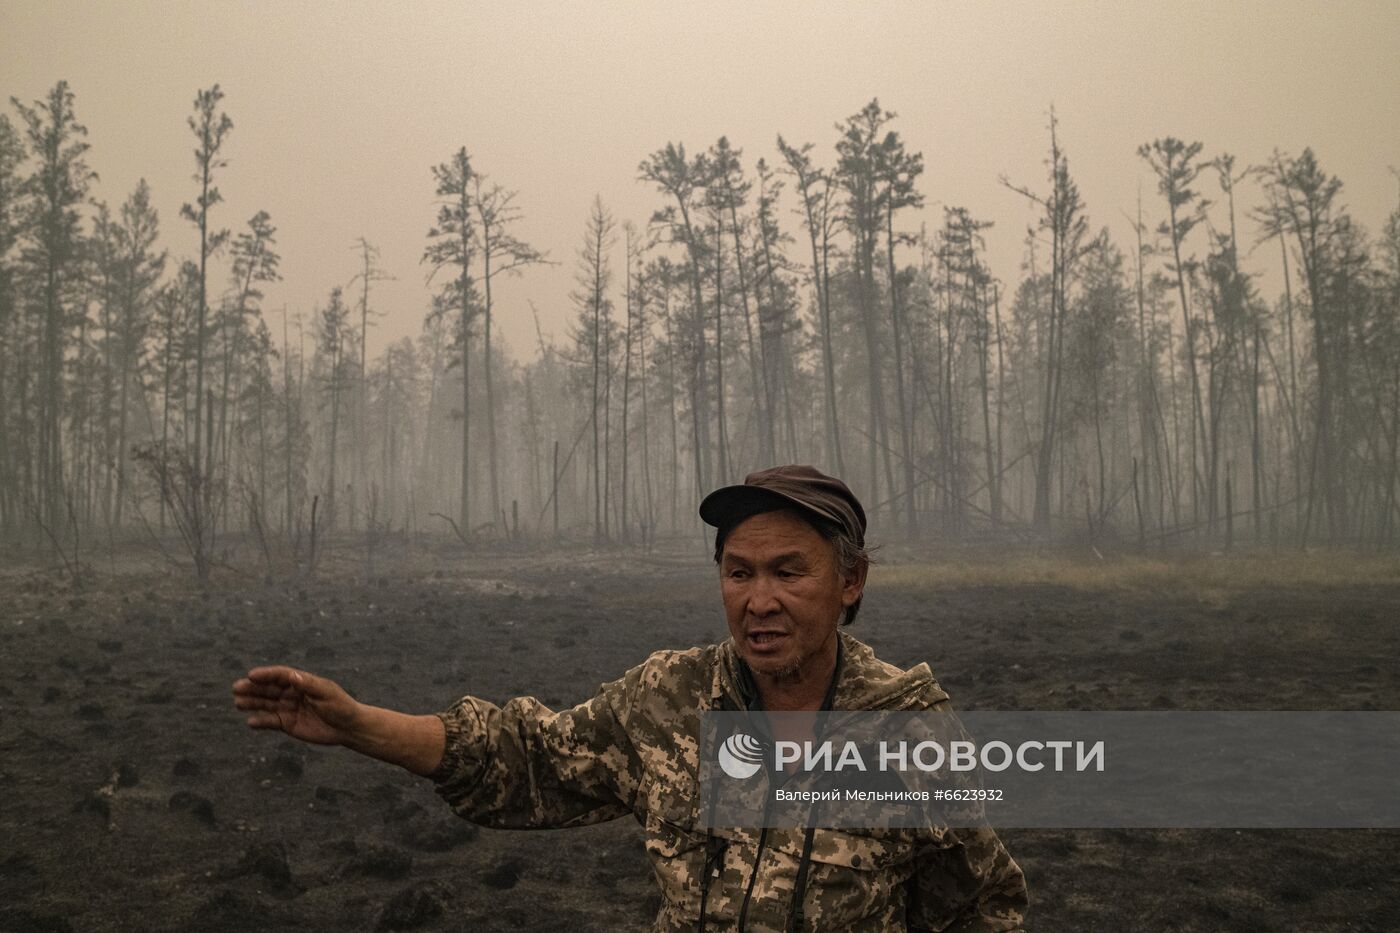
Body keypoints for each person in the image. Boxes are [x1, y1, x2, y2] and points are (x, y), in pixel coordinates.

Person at [232, 465, 1028, 931]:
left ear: (850, 581)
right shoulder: (670, 699)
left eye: (790, 571)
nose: (759, 600)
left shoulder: (908, 732)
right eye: (739, 571)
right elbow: (527, 759)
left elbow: (983, 906)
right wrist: (356, 724)